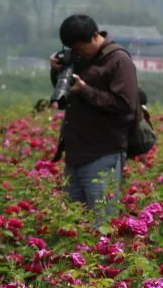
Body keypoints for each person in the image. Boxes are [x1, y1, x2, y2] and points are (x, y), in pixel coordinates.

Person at [49, 14, 140, 224]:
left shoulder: (118, 61)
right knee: (73, 224)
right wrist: (57, 71)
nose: (78, 53)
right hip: (75, 155)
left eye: (80, 48)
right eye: (74, 49)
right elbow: (64, 94)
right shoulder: (80, 58)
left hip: (103, 154)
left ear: (94, 36)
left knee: (102, 223)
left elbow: (126, 105)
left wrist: (86, 90)